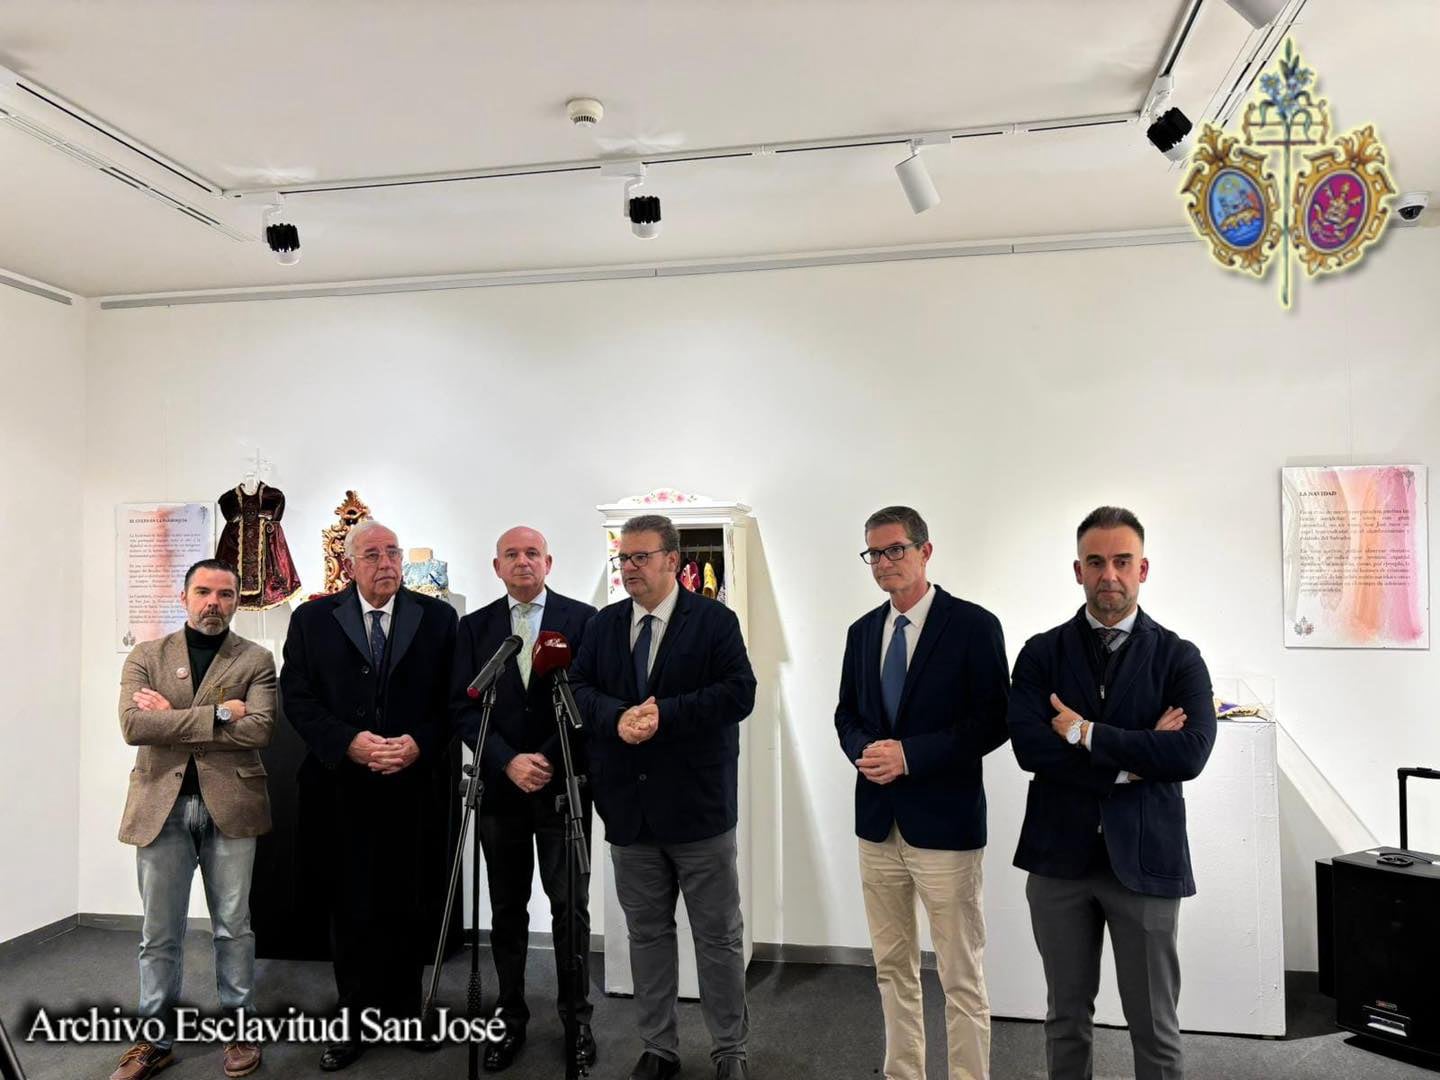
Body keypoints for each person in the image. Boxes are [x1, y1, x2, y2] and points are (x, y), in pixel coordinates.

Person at [1009, 506, 1216, 1080]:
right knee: (1065, 1019)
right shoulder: (1040, 653)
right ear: (1077, 570)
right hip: (1058, 860)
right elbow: (1030, 749)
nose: (1109, 575)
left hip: (1146, 861)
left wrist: (1085, 734)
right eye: (1096, 562)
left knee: (1155, 1027)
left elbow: (1189, 754)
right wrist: (1134, 761)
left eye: (1122, 561)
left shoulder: (1179, 657)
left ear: (1142, 569)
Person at [570, 514, 757, 1080]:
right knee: (647, 936)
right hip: (629, 811)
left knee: (718, 938)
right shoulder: (603, 625)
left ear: (673, 560)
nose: (629, 568)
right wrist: (617, 717)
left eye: (641, 557)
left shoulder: (715, 620)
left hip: (699, 811)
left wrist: (664, 716)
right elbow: (577, 689)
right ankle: (659, 1047)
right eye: (622, 558)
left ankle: (730, 1051)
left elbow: (739, 693)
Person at [834, 506, 1009, 1080]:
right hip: (877, 823)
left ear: (925, 551)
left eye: (895, 550)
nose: (884, 562)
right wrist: (866, 751)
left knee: (960, 974)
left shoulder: (973, 626)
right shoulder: (863, 632)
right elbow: (846, 714)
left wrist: (909, 755)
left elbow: (992, 721)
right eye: (874, 553)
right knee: (891, 967)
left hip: (945, 824)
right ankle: (902, 1073)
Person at [281, 518, 457, 1072]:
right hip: (342, 787)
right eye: (373, 554)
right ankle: (354, 1017)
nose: (386, 563)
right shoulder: (312, 619)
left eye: (393, 553)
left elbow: (453, 700)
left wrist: (418, 743)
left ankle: (406, 1011)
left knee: (409, 900)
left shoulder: (437, 618)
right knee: (351, 904)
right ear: (350, 565)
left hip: (413, 784)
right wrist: (349, 743)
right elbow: (298, 698)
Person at [112, 559, 276, 1080]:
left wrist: (171, 718)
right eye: (203, 592)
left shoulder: (255, 659)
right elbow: (134, 726)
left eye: (225, 594)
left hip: (232, 806)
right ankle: (153, 1041)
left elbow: (261, 730)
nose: (214, 603)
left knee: (233, 928)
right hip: (161, 808)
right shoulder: (146, 655)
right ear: (183, 597)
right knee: (159, 933)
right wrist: (223, 713)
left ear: (236, 601)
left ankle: (241, 1030)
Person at [451, 525, 598, 1072]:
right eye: (511, 554)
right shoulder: (474, 628)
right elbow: (463, 708)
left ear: (549, 562)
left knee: (569, 910)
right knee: (507, 910)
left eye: (532, 553)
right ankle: (509, 1016)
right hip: (501, 791)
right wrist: (507, 760)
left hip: (563, 791)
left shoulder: (584, 621)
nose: (522, 562)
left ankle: (577, 1020)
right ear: (496, 567)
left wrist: (548, 760)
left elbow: (590, 699)